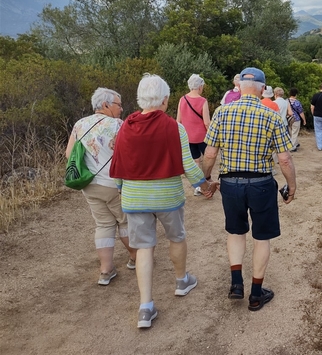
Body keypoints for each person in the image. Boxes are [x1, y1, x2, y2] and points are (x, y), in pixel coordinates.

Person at [110, 74, 218, 329]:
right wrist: (204, 185)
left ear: (139, 98)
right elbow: (188, 167)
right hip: (167, 196)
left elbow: (118, 163)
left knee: (144, 247)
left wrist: (121, 188)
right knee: (176, 237)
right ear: (166, 99)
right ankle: (181, 281)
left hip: (135, 198)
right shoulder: (174, 127)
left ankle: (145, 307)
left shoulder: (126, 125)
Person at [202, 67, 297, 312]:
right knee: (261, 237)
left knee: (235, 232)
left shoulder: (221, 113)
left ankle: (236, 284)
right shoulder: (272, 115)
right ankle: (256, 294)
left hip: (230, 184)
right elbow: (284, 159)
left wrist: (206, 179)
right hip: (261, 184)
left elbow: (210, 152)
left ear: (240, 87)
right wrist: (292, 185)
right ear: (263, 88)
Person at [65, 88, 137, 286]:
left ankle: (106, 270)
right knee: (124, 221)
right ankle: (135, 258)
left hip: (89, 184)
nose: (121, 109)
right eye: (118, 105)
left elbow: (69, 153)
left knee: (103, 224)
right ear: (105, 105)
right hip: (114, 183)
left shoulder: (80, 124)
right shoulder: (118, 125)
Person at [176, 74, 211, 196]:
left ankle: (197, 187)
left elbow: (178, 121)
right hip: (202, 136)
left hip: (188, 137)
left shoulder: (182, 99)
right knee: (207, 160)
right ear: (200, 86)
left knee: (195, 161)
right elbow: (206, 122)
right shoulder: (203, 101)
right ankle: (207, 182)